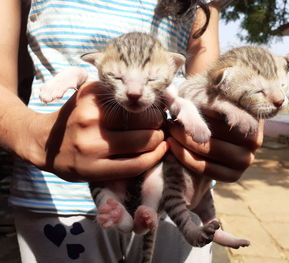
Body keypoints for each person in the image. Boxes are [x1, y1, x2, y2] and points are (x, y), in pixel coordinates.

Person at [0, 0, 263, 262]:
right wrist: (37, 139)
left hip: (172, 199)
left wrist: (227, 125)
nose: (135, 93)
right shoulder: (96, 72)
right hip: (58, 199)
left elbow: (202, 82)